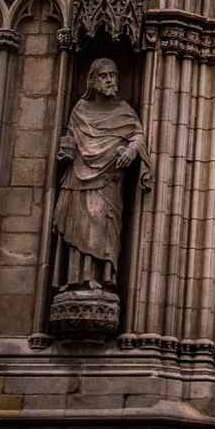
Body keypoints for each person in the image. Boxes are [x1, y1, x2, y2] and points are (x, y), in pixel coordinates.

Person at [52, 58, 149, 290]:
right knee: (79, 225)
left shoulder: (124, 111)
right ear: (92, 80)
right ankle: (75, 279)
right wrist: (66, 152)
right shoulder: (80, 110)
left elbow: (138, 136)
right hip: (77, 178)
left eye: (113, 75)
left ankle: (102, 277)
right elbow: (70, 139)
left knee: (100, 222)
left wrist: (131, 150)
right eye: (104, 75)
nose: (110, 80)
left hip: (108, 181)